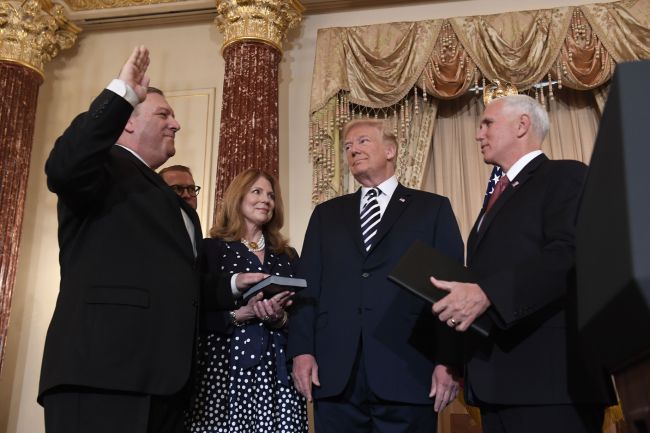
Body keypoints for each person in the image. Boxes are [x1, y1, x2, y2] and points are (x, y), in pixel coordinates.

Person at [38, 46, 240, 433]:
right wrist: (122, 94)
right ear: (126, 123)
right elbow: (64, 166)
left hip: (166, 385)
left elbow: (177, 283)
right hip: (102, 376)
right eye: (163, 114)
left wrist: (232, 285)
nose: (176, 124)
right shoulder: (103, 167)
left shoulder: (174, 203)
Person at [430, 95, 616, 433]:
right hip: (496, 383)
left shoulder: (565, 176)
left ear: (522, 125)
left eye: (487, 123)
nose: (478, 134)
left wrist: (487, 292)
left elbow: (569, 253)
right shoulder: (497, 195)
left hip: (552, 382)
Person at [288, 119, 465, 433]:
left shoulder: (432, 209)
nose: (353, 150)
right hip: (336, 374)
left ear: (390, 150)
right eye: (347, 146)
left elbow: (452, 291)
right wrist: (302, 351)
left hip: (409, 370)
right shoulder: (326, 215)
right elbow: (307, 290)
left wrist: (449, 360)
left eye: (362, 141)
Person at [186, 168, 308, 433]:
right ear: (237, 198)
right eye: (257, 192)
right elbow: (191, 310)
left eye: (271, 195)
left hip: (278, 374)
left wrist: (281, 318)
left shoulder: (287, 255)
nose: (266, 200)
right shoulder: (211, 249)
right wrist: (238, 315)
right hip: (224, 371)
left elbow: (305, 315)